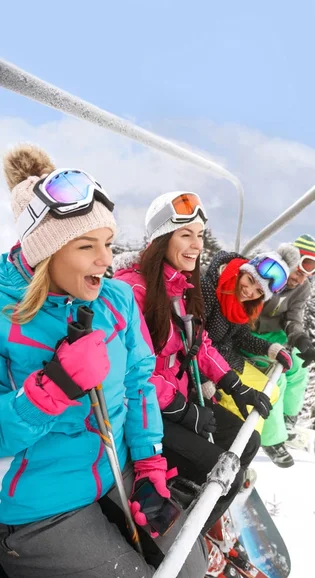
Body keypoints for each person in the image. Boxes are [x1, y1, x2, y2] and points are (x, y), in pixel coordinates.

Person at [0, 146, 206, 577]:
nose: (106, 260)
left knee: (191, 567)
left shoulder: (114, 300)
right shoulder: (7, 316)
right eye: (86, 246)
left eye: (109, 244)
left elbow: (138, 382)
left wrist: (149, 464)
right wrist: (50, 388)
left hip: (116, 468)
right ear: (45, 251)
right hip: (40, 501)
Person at [113, 191, 265, 538]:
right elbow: (132, 369)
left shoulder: (181, 285)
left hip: (177, 400)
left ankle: (199, 516)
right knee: (226, 471)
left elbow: (200, 343)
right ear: (162, 238)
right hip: (146, 409)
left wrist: (234, 385)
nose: (196, 245)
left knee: (248, 439)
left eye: (199, 235)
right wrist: (181, 408)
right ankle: (184, 541)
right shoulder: (132, 291)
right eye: (186, 234)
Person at [251, 234, 315, 467]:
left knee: (299, 367)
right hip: (248, 335)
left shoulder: (301, 288)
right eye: (298, 271)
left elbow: (294, 318)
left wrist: (302, 340)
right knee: (276, 377)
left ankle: (287, 418)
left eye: (307, 275)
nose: (300, 279)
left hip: (274, 335)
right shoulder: (266, 273)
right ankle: (271, 439)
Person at [199, 250, 294, 425]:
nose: (249, 292)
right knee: (245, 409)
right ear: (242, 271)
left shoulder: (242, 305)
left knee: (270, 392)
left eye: (258, 291)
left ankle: (248, 441)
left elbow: (241, 337)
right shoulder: (208, 288)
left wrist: (270, 349)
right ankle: (233, 441)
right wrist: (201, 379)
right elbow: (190, 338)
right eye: (249, 280)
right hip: (206, 364)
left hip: (227, 360)